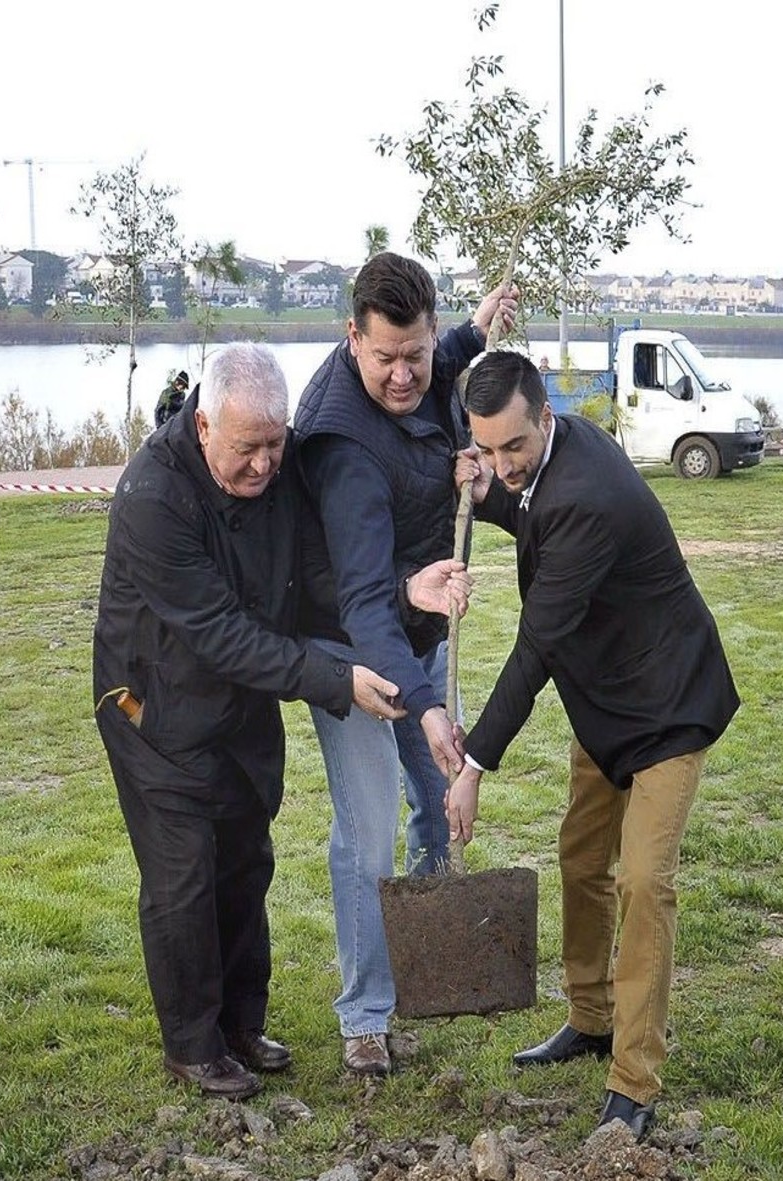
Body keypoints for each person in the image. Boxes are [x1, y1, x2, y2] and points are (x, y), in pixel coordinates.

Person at [94, 343, 458, 1100]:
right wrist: (336, 678)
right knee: (183, 875)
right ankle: (193, 1043)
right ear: (202, 427)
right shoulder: (153, 496)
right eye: (246, 448)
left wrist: (400, 592)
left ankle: (240, 1025)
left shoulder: (278, 471)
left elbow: (315, 579)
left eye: (274, 443)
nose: (264, 465)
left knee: (244, 858)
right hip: (153, 705)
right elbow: (219, 631)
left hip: (241, 701)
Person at [445, 350, 738, 1139]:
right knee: (581, 854)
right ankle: (590, 1015)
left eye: (513, 448)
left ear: (546, 416)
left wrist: (473, 761)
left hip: (668, 708)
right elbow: (531, 504)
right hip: (606, 701)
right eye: (488, 448)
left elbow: (535, 646)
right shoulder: (555, 451)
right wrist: (488, 492)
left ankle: (634, 1080)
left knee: (644, 879)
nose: (502, 463)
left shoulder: (589, 495)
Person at [292, 252, 516, 1075]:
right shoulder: (343, 446)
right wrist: (426, 708)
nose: (403, 375)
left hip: (411, 620)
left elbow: (449, 356)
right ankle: (366, 1014)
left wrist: (473, 326)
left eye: (414, 354)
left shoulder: (427, 357)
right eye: (384, 358)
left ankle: (423, 954)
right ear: (353, 338)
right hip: (348, 643)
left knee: (436, 794)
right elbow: (362, 608)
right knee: (369, 828)